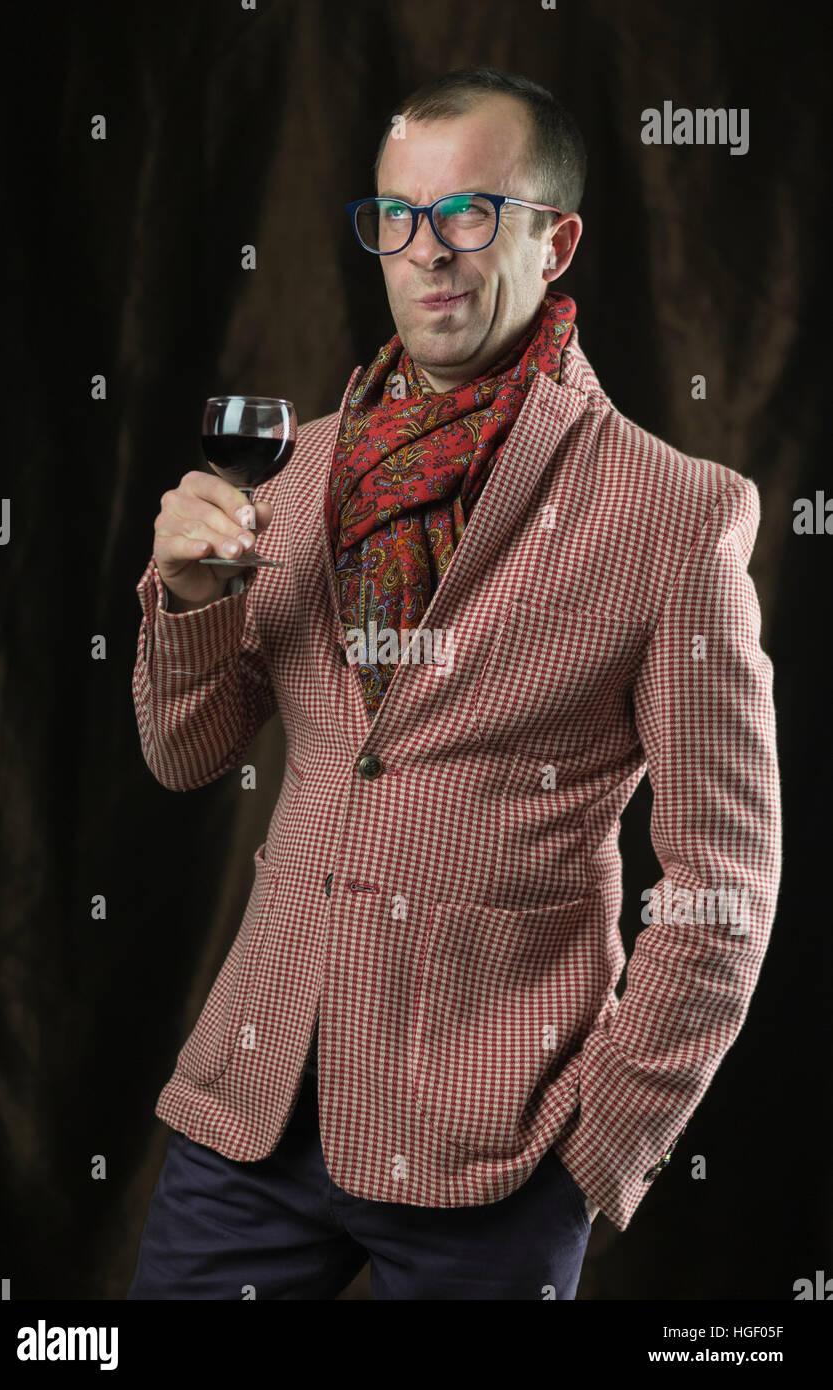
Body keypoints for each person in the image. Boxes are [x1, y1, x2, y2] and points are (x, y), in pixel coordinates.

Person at [127, 66, 781, 1300]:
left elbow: (721, 878)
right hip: (254, 1103)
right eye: (396, 217)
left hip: (496, 1146)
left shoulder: (671, 515)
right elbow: (183, 754)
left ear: (555, 237)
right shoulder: (296, 471)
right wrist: (194, 609)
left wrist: (594, 1149)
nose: (427, 253)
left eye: (469, 213)